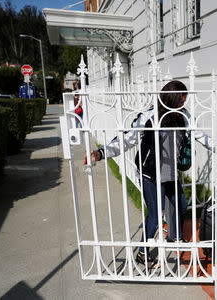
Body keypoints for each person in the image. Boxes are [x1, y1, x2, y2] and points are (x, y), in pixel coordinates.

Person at [84, 80, 206, 265]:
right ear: (173, 98)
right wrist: (101, 153)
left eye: (185, 100)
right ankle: (142, 251)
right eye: (182, 99)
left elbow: (201, 135)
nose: (184, 103)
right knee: (156, 215)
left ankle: (174, 238)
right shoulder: (150, 116)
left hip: (170, 173)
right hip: (150, 173)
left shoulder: (184, 115)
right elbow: (127, 139)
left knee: (181, 205)